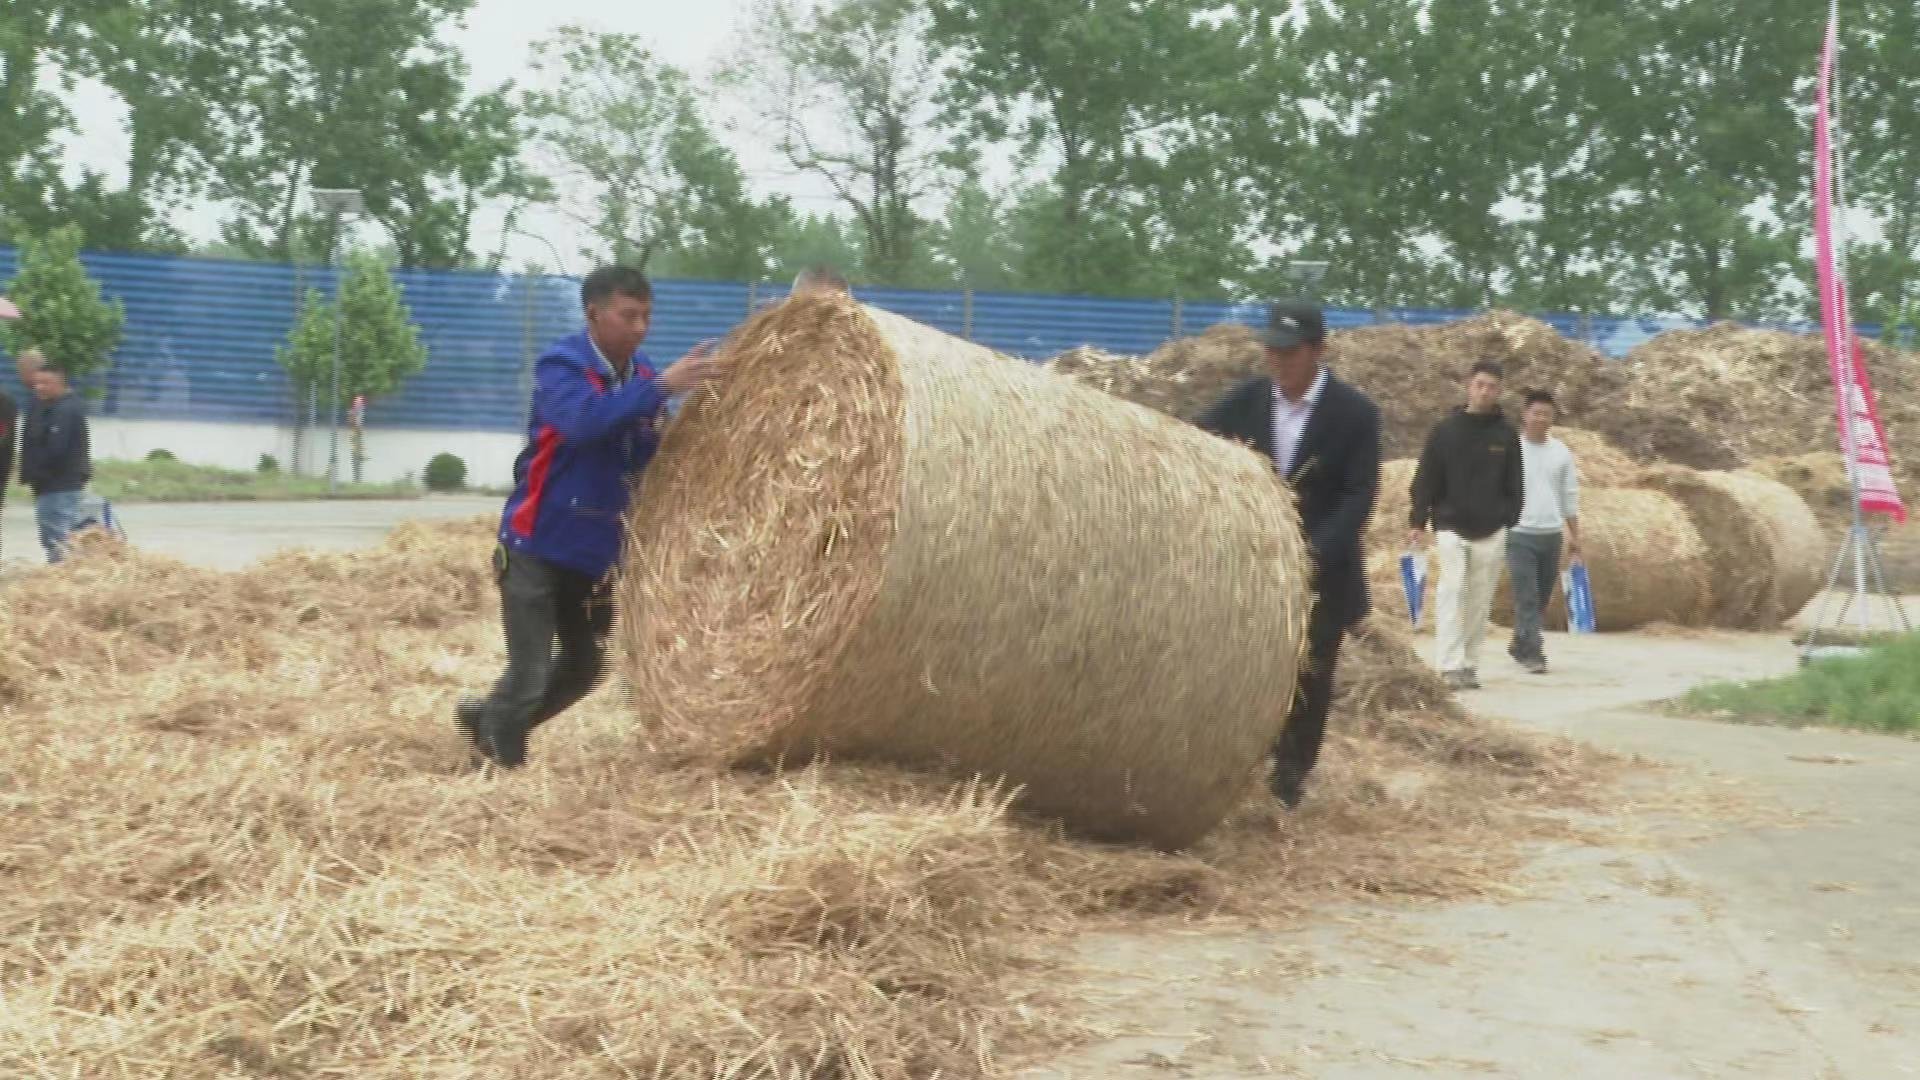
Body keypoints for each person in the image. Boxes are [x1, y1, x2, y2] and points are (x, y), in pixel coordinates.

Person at [458, 266, 724, 768]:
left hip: (596, 554)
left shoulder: (642, 376)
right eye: (628, 316)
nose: (640, 327)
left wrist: (679, 426)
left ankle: (492, 721)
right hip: (537, 544)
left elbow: (641, 449)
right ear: (594, 314)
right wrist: (663, 388)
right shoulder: (561, 366)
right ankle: (498, 765)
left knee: (584, 668)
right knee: (530, 671)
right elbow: (584, 423)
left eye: (646, 316)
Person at [1197, 300, 1382, 809]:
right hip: (1250, 570)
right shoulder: (1246, 402)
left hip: (1322, 573)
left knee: (1309, 676)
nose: (1277, 360)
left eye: (1289, 351)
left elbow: (1358, 495)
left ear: (1318, 351)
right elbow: (1192, 441)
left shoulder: (1355, 414)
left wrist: (1309, 556)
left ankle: (1289, 781)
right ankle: (1232, 764)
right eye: (1270, 350)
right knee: (1242, 668)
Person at [1406, 360, 1524, 690]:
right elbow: (1426, 476)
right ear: (1468, 385)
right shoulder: (1445, 431)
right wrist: (1417, 518)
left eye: (1492, 387)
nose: (1485, 392)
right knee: (1452, 590)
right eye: (1480, 385)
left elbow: (1515, 481)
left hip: (1492, 527)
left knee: (1480, 598)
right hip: (1450, 524)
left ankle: (1470, 663)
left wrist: (1508, 518)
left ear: (1500, 391)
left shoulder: (1506, 435)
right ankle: (1449, 664)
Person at [1507, 390, 1582, 674]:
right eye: (1535, 412)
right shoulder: (1511, 448)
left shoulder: (1560, 451)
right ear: (1525, 415)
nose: (1540, 418)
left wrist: (1575, 536)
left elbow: (1569, 494)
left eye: (1546, 414)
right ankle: (1534, 653)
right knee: (1526, 594)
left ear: (1553, 419)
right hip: (1519, 533)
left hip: (1551, 534)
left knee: (1540, 598)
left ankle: (1520, 641)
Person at [19, 365, 93, 563]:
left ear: (60, 384)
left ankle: (61, 577)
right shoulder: (46, 406)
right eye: (37, 383)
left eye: (45, 383)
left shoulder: (65, 411)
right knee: (58, 535)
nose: (39, 387)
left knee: (58, 538)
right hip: (49, 484)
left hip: (59, 484)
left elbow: (56, 451)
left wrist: (36, 471)